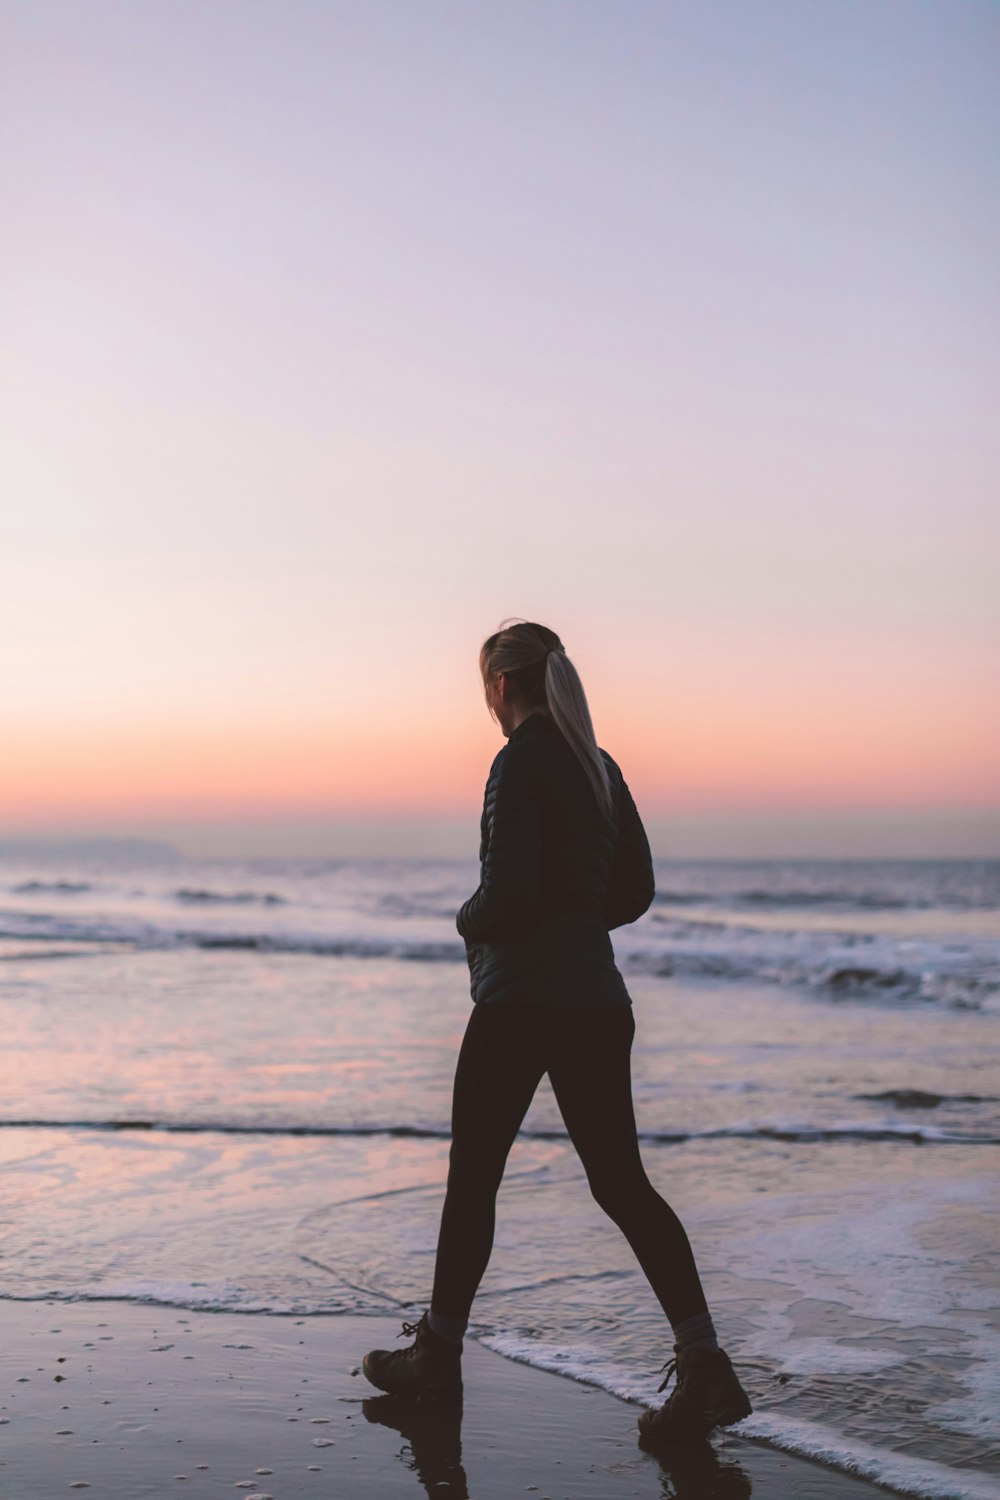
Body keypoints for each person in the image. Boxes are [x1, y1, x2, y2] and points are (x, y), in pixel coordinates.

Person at [363, 620, 752, 1442]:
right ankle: (706, 1363)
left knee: (474, 1183)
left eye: (484, 689)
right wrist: (578, 924)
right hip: (598, 1008)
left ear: (502, 686)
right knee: (623, 1186)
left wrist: (464, 919)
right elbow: (635, 887)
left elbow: (506, 893)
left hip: (519, 1005)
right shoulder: (597, 763)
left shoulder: (519, 760)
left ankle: (438, 1355)